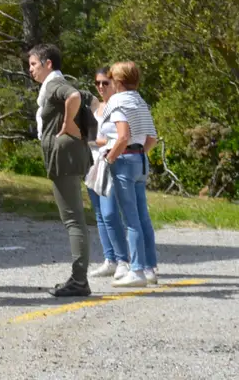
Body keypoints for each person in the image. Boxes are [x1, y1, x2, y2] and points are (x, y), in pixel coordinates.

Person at [27, 43, 93, 298]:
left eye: (33, 64)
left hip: (63, 158)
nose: (30, 70)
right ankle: (79, 278)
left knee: (73, 219)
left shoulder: (54, 85)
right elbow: (92, 100)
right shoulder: (54, 85)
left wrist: (67, 125)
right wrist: (85, 133)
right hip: (69, 155)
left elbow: (74, 96)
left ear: (48, 64)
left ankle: (79, 280)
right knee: (74, 218)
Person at [102, 61, 160, 288]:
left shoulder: (117, 101)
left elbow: (122, 135)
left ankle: (135, 270)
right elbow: (151, 138)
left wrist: (110, 158)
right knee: (143, 217)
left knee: (131, 219)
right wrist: (138, 154)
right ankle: (149, 267)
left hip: (124, 160)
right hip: (140, 160)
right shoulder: (140, 101)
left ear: (118, 81)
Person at [86, 67, 130, 281]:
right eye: (98, 83)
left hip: (109, 161)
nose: (101, 87)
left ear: (115, 83)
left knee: (111, 213)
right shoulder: (97, 106)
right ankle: (110, 259)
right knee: (100, 215)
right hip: (92, 163)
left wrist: (94, 141)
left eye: (105, 82)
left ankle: (123, 260)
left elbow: (121, 137)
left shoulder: (119, 106)